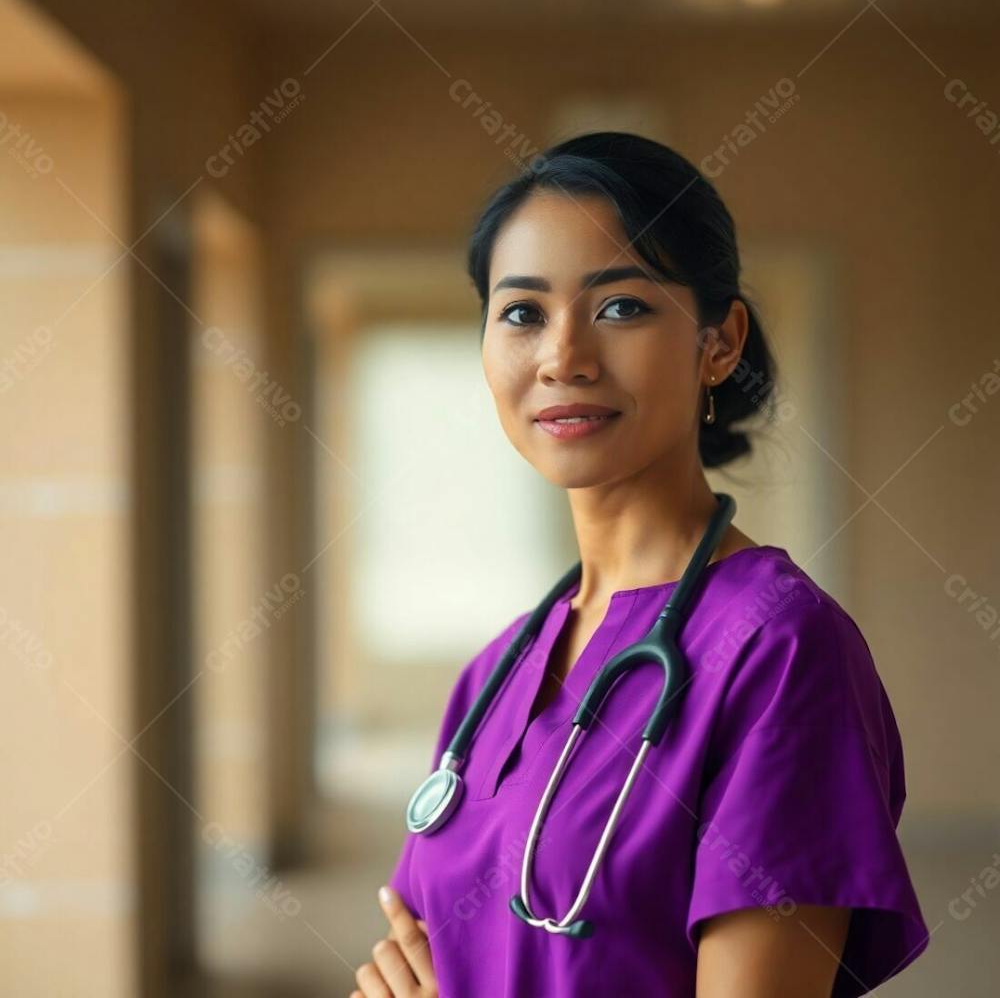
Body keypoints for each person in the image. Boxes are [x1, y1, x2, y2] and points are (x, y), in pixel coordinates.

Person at [349, 131, 930, 997]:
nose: (562, 357)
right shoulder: (494, 675)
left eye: (619, 306)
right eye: (522, 312)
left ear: (719, 342)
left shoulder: (781, 653)